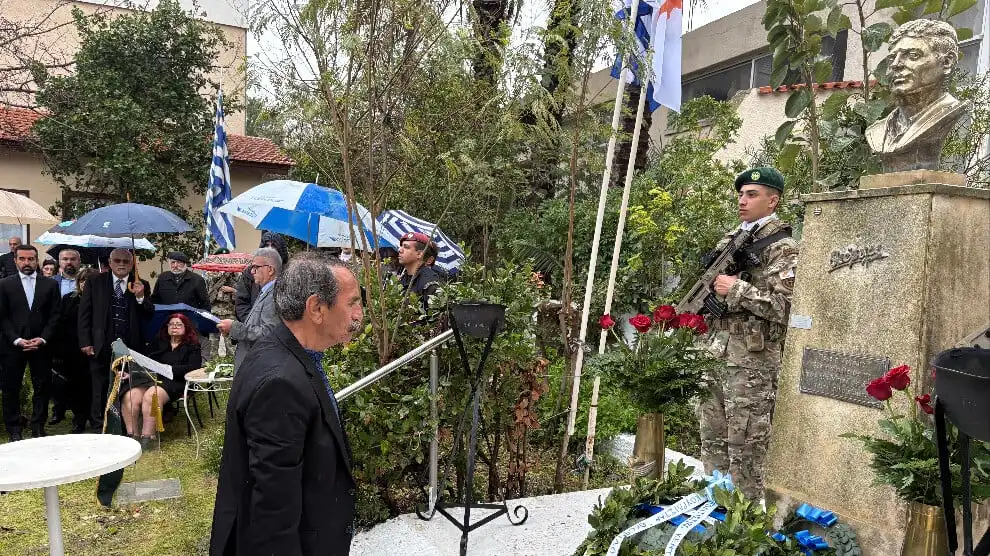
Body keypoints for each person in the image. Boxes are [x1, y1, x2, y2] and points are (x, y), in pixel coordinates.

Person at [210, 252, 363, 556]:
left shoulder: (289, 353)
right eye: (353, 303)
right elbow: (272, 511)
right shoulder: (281, 383)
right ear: (316, 308)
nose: (359, 315)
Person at [698, 167, 799, 501]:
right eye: (741, 194)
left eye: (751, 194)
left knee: (745, 447)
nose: (742, 200)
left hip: (752, 363)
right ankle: (714, 509)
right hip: (716, 352)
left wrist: (738, 289)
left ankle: (745, 521)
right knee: (712, 440)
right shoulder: (732, 239)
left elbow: (787, 308)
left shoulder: (783, 247)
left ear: (773, 201)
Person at [865, 19, 970, 172]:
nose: (895, 64)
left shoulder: (951, 114)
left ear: (947, 62)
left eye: (913, 55)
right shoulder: (877, 132)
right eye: (892, 58)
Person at [78, 248, 153, 432]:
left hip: (129, 346)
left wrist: (140, 297)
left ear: (132, 264)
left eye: (126, 261)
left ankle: (123, 426)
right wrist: (85, 341)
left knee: (125, 387)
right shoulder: (95, 281)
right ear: (110, 263)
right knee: (99, 387)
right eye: (117, 261)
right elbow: (84, 313)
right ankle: (98, 427)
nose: (121, 264)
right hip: (101, 344)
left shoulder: (141, 284)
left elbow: (148, 314)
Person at [0, 245, 61, 440]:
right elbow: (2, 317)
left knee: (42, 386)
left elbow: (55, 315)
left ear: (37, 260)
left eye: (31, 259)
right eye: (22, 259)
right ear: (15, 260)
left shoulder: (50, 285)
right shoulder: (4, 284)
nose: (27, 263)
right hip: (12, 346)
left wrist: (43, 338)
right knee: (11, 388)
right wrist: (16, 339)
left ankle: (38, 427)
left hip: (41, 346)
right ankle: (14, 429)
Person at [121, 313, 202, 451]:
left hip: (177, 381)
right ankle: (132, 436)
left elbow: (193, 368)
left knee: (152, 395)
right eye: (171, 324)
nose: (174, 327)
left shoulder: (192, 346)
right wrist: (131, 373)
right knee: (131, 395)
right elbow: (143, 362)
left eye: (179, 324)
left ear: (186, 328)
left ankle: (148, 438)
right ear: (167, 327)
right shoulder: (158, 343)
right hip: (151, 379)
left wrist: (168, 369)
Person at [217, 247, 282, 371]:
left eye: (256, 267)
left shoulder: (274, 294)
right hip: (253, 364)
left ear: (270, 270)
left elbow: (268, 333)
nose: (252, 271)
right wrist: (231, 330)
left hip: (260, 366)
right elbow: (254, 326)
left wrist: (234, 327)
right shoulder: (265, 291)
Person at [52, 268, 98, 433]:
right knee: (76, 387)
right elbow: (61, 325)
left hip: (96, 350)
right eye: (82, 280)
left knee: (95, 386)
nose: (85, 283)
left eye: (90, 280)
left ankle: (95, 417)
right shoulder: (68, 299)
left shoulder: (103, 300)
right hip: (73, 351)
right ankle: (79, 419)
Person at [234, 232, 288, 321]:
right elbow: (241, 303)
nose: (270, 249)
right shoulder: (250, 272)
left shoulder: (289, 273)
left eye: (273, 246)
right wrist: (251, 323)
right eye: (267, 246)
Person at [396, 232, 441, 309]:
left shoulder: (430, 282)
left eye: (406, 247)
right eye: (401, 246)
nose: (399, 250)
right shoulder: (403, 278)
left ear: (420, 254)